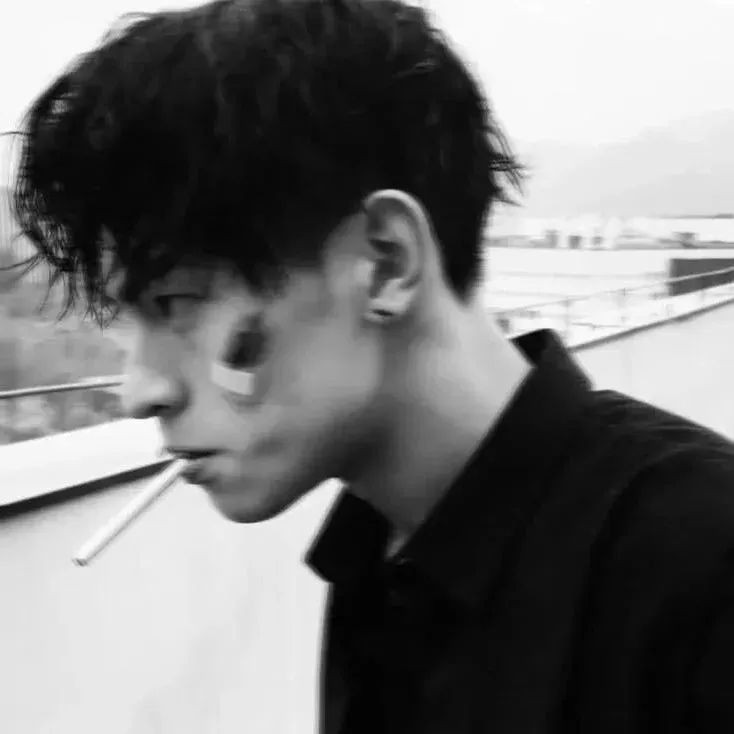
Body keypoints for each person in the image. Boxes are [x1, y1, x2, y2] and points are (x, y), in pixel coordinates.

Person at [10, 0, 734, 731]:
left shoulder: (703, 566)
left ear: (385, 262)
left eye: (178, 302)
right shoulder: (375, 558)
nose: (140, 391)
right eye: (126, 323)